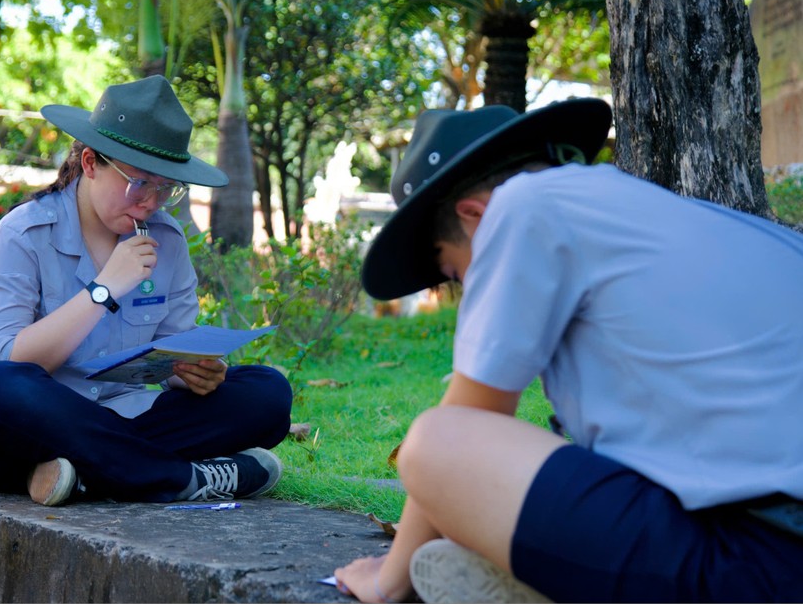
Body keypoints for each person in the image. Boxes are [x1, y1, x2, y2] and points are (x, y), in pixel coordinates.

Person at [334, 99, 803, 602]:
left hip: (757, 559)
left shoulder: (522, 206)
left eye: (456, 273)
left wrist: (387, 579)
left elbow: (466, 424)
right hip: (767, 535)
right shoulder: (662, 211)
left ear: (474, 216)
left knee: (435, 441)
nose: (470, 289)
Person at [0, 76, 292, 507]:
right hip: (31, 423)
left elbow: (172, 348)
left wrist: (192, 372)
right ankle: (180, 477)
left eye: (167, 187)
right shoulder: (22, 233)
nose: (151, 202)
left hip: (124, 418)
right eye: (139, 183)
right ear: (90, 163)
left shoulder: (167, 240)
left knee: (267, 392)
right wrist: (103, 289)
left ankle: (81, 475)